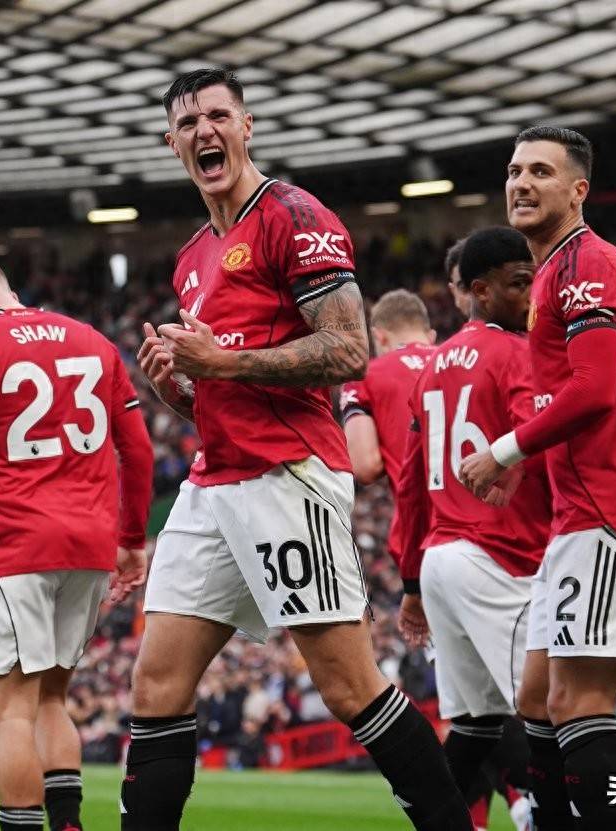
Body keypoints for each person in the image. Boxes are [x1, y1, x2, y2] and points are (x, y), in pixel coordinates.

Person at [127, 68, 471, 831]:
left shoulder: (294, 214)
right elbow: (217, 402)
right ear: (171, 142)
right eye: (188, 122)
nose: (204, 131)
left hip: (288, 475)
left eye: (219, 115)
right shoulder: (192, 256)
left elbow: (349, 349)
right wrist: (174, 389)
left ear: (246, 126)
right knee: (155, 685)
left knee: (349, 687)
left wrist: (223, 363)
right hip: (216, 480)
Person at [459, 126, 616, 830]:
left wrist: (503, 451)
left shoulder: (588, 262)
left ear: (578, 189)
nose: (522, 183)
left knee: (577, 702)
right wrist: (527, 461)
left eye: (541, 172)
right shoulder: (556, 269)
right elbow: (567, 395)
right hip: (580, 511)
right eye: (514, 171)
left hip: (613, 508)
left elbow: (594, 389)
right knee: (535, 697)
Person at [0, 253, 154, 831]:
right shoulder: (92, 340)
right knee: (52, 699)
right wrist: (132, 539)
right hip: (88, 546)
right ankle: (67, 823)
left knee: (12, 710)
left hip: (14, 545)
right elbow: (138, 450)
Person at [396, 226, 548, 828]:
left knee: (477, 725)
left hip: (441, 558)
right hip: (498, 556)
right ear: (481, 290)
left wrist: (411, 580)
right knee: (549, 713)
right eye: (519, 284)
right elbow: (540, 444)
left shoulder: (432, 366)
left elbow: (410, 483)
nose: (532, 297)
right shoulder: (518, 355)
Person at [340, 289, 436, 572]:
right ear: (430, 336)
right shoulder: (464, 358)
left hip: (425, 535)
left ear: (379, 337)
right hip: (499, 525)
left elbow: (365, 466)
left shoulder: (367, 377)